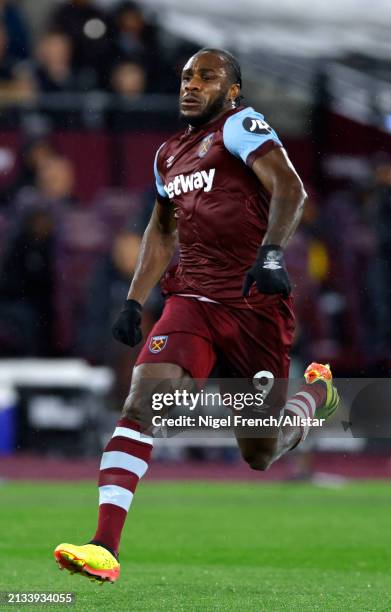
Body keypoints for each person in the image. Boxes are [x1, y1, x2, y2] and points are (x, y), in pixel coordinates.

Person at [54, 48, 340, 583]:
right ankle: (104, 545)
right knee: (144, 402)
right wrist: (134, 300)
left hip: (256, 304)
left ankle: (313, 397)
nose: (192, 85)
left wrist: (273, 253)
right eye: (186, 76)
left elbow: (290, 187)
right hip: (193, 299)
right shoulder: (168, 155)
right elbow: (162, 231)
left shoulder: (241, 125)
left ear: (232, 90)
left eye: (207, 77)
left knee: (259, 452)